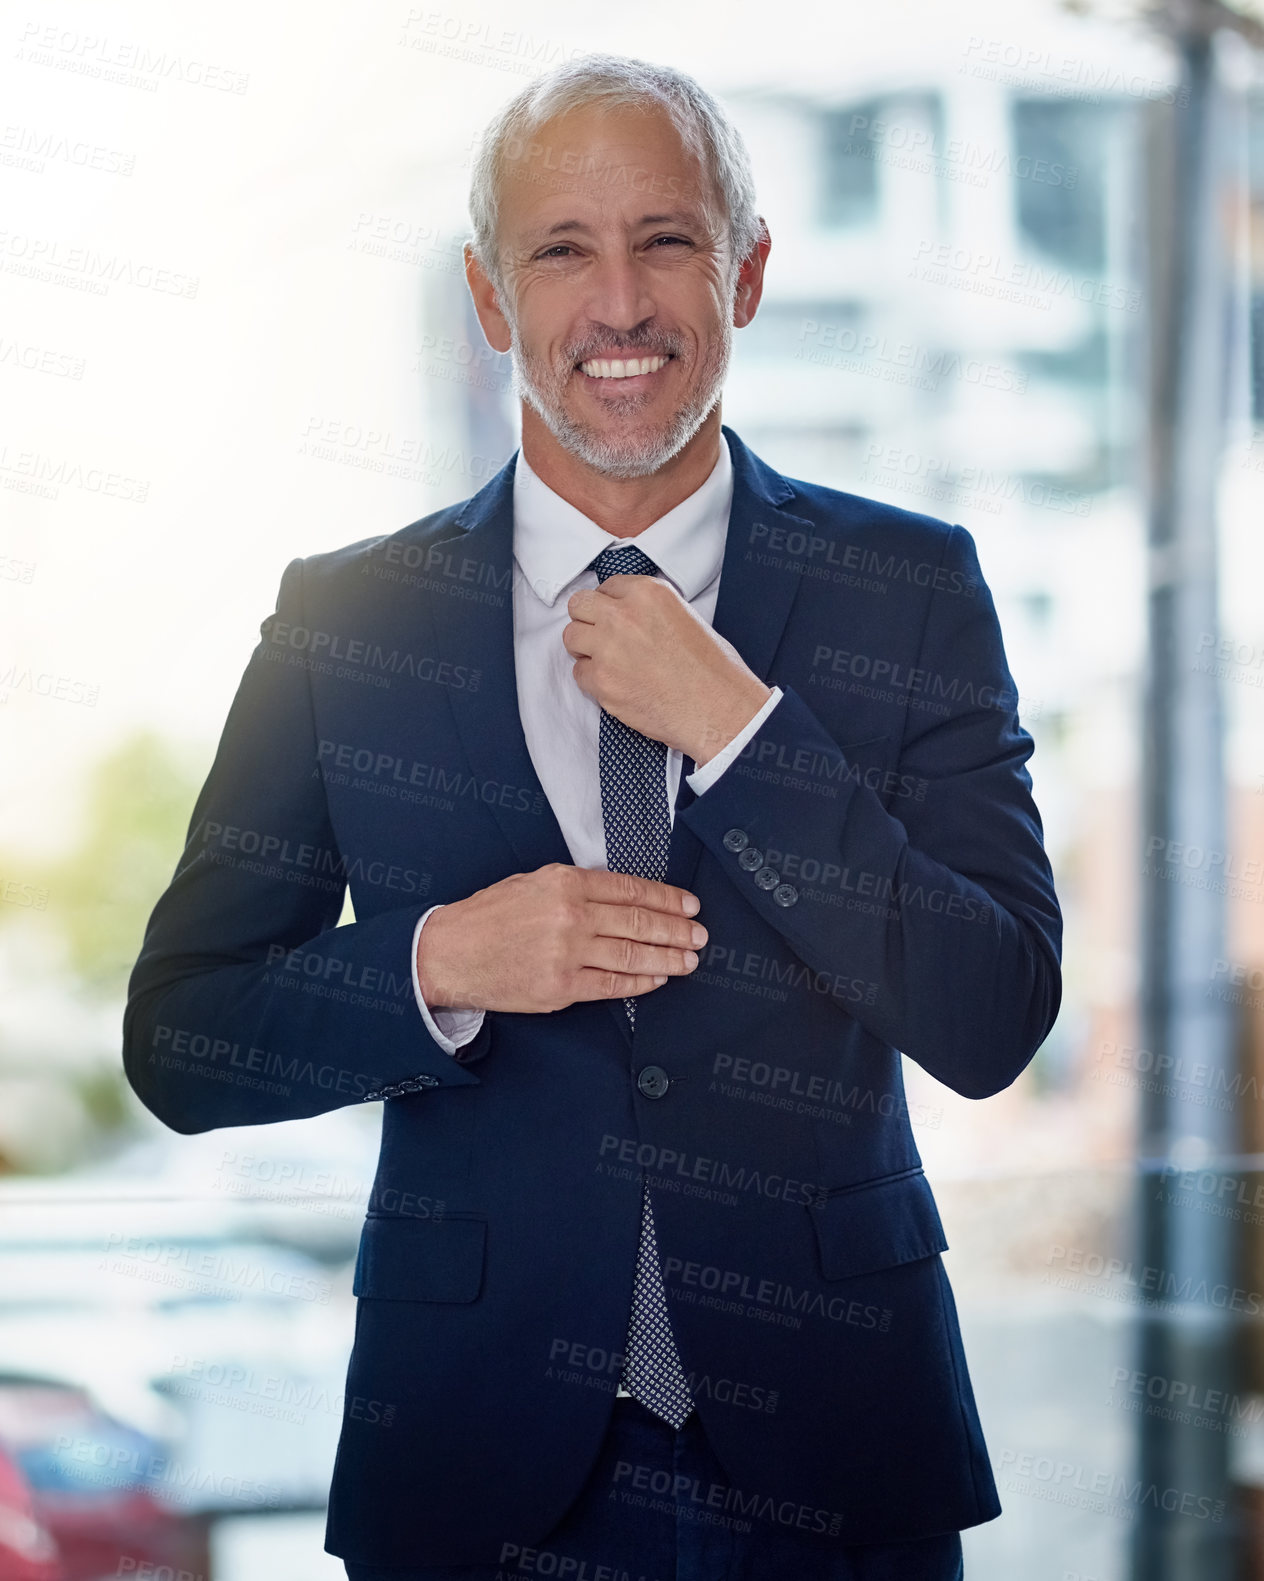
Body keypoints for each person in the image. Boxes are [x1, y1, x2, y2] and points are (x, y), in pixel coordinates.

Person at [123, 52, 1061, 1581]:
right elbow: (180, 1040)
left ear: (747, 272)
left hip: (833, 1451)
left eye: (668, 241)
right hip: (473, 1459)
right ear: (493, 300)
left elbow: (997, 1010)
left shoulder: (915, 586)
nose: (618, 304)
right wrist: (440, 962)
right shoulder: (346, 618)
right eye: (562, 249)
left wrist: (743, 731)